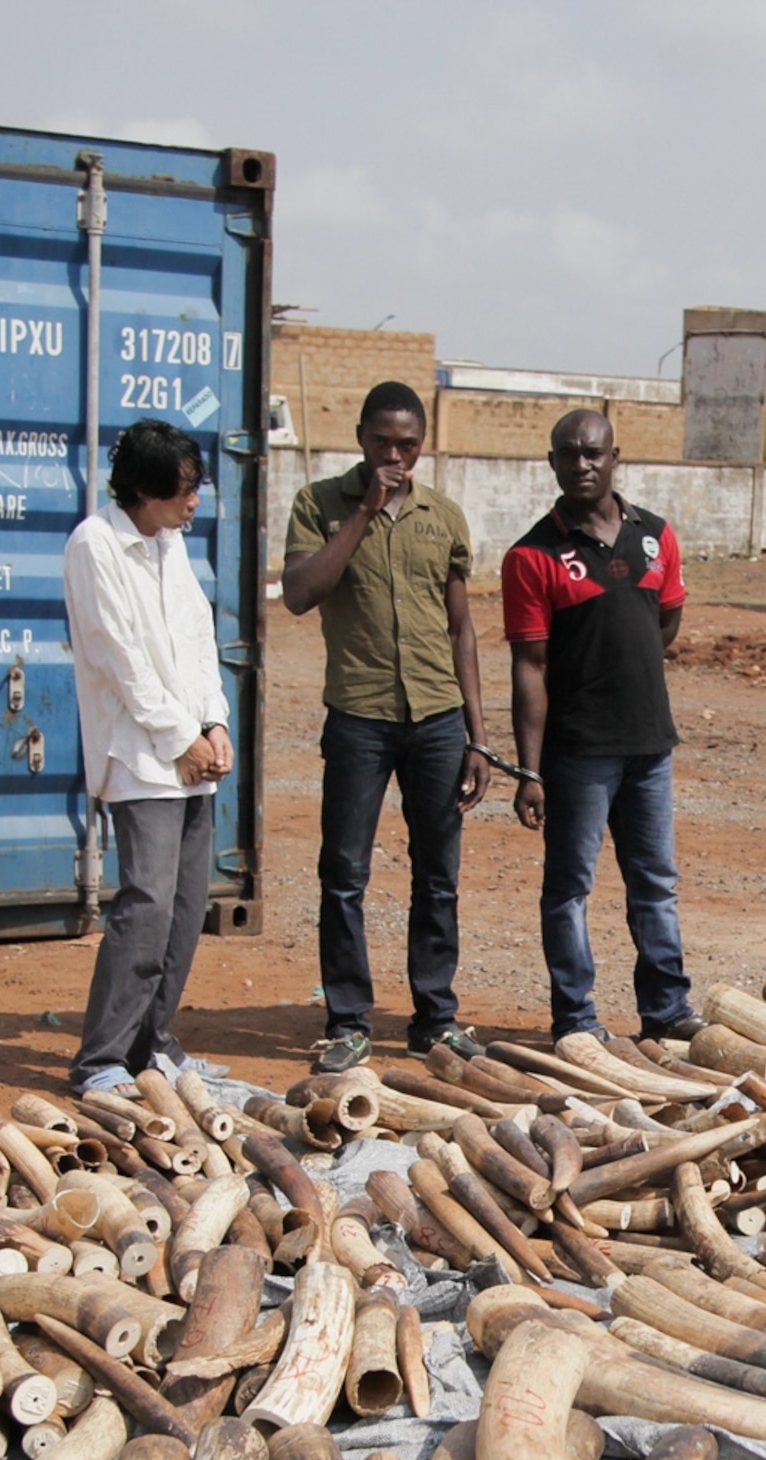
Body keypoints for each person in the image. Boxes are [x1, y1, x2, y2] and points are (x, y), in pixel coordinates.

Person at [282, 380, 489, 1074]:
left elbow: (462, 628)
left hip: (437, 718)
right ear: (361, 438)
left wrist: (478, 736)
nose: (395, 456)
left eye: (407, 444)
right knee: (344, 873)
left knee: (439, 875)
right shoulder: (319, 503)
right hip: (359, 717)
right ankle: (347, 1022)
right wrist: (365, 511)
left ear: (422, 444)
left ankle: (436, 1018)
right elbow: (301, 595)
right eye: (382, 442)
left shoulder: (444, 516)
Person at [503, 409, 700, 1044]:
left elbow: (663, 625)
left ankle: (666, 1013)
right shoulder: (533, 555)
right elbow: (529, 667)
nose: (582, 464)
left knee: (655, 885)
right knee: (569, 888)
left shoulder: (656, 537)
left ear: (616, 457)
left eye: (594, 453)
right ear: (553, 462)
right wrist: (530, 770)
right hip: (578, 754)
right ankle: (576, 1019)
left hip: (649, 747)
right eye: (569, 455)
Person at [62, 418, 233, 1095]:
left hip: (193, 755)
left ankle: (155, 1046)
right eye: (185, 490)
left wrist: (214, 723)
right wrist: (178, 739)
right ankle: (101, 1059)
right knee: (146, 908)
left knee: (188, 908)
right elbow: (120, 660)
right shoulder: (95, 546)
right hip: (142, 757)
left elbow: (196, 641)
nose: (195, 503)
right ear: (146, 489)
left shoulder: (169, 544)